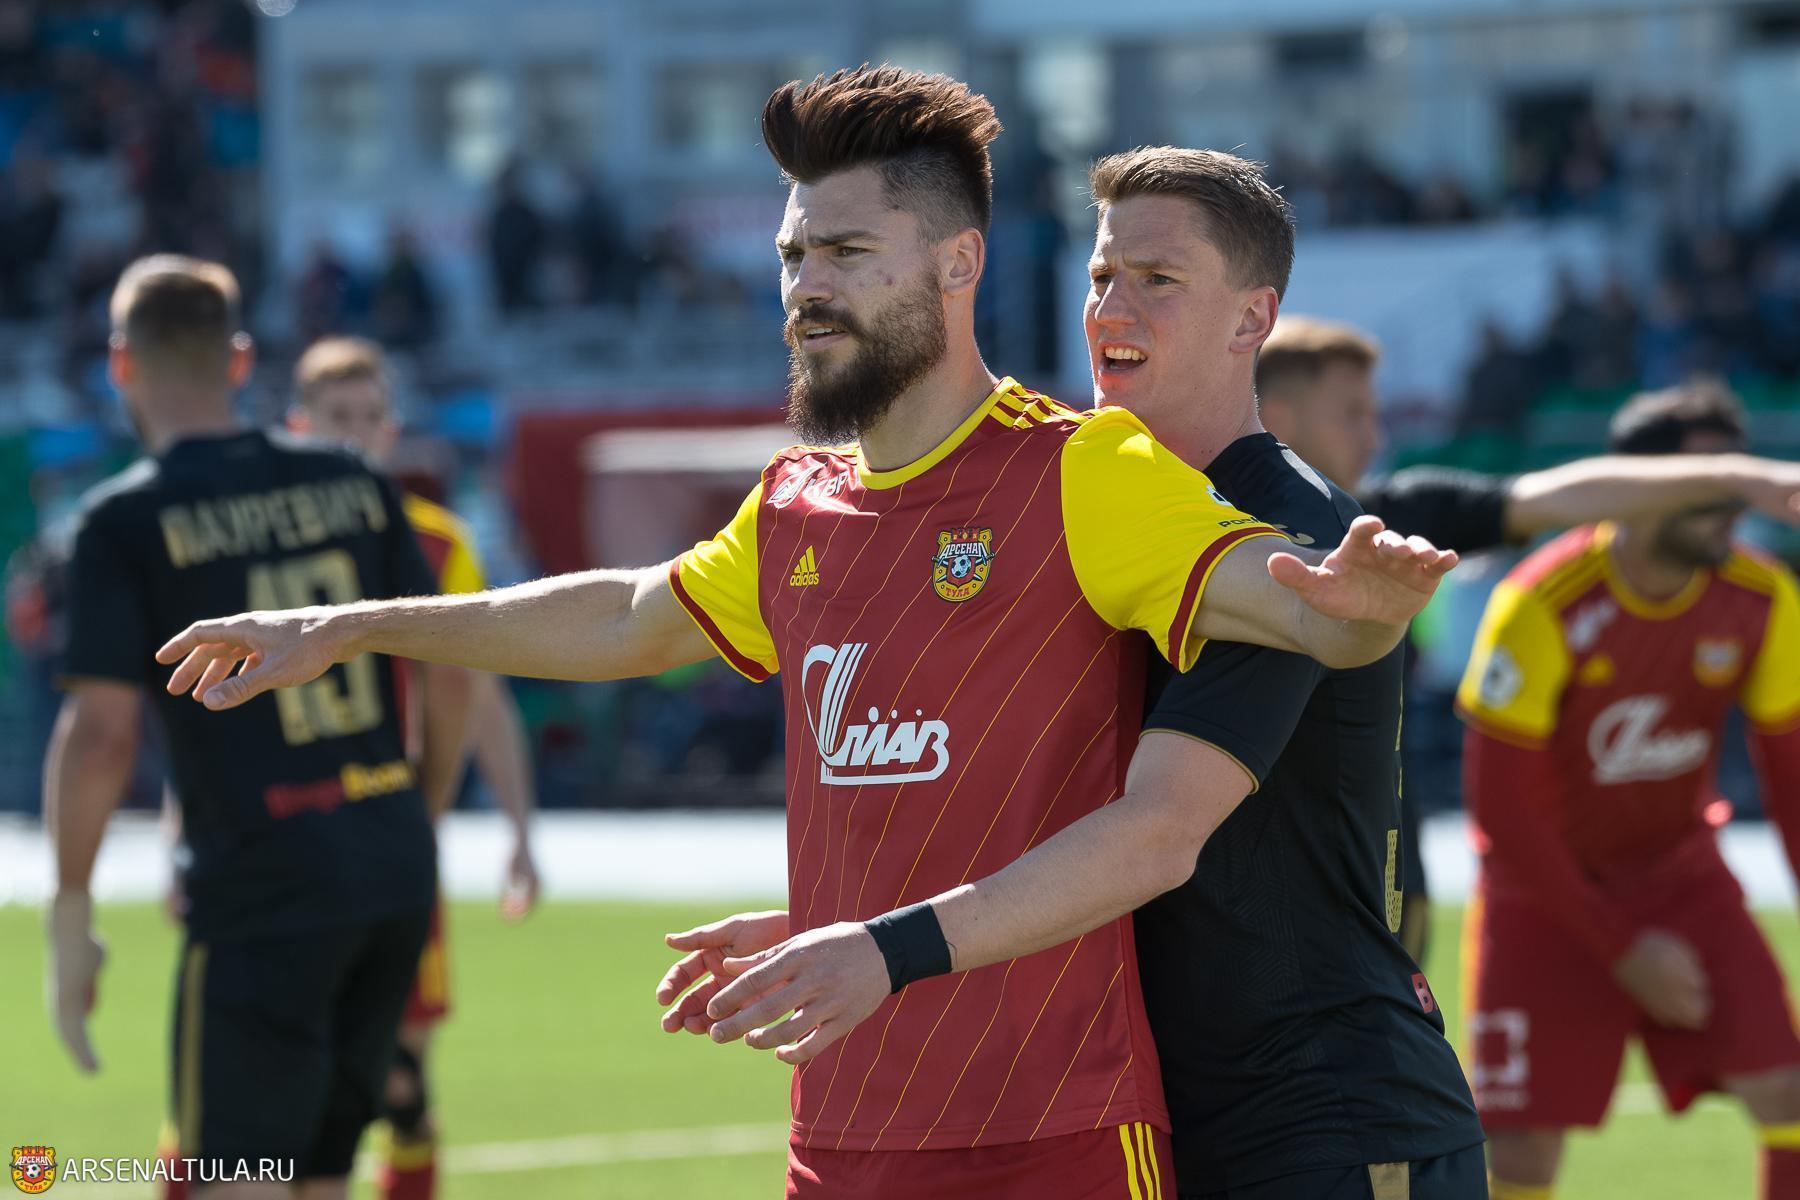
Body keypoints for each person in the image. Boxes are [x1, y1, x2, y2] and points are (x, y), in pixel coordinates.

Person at [154, 69, 1455, 1199]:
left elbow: (1289, 607)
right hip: (838, 1131)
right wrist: (347, 626)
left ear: (959, 264)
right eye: (792, 256)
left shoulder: (1086, 469)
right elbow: (628, 615)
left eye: (844, 253)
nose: (805, 289)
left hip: (1063, 1132)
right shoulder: (794, 502)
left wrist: (1355, 609)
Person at [676, 146, 1488, 1200]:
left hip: (1327, 1116)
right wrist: (831, 921)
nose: (1113, 307)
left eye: (1159, 279)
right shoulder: (1108, 510)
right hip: (1193, 1116)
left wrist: (884, 943)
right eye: (1103, 275)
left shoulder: (1278, 532)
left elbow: (1156, 835)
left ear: (1252, 319)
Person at [44, 255, 472, 1200]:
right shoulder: (356, 482)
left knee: (238, 1178)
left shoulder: (124, 518)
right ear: (240, 360)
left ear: (121, 364)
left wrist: (70, 910)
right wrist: (420, 813)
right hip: (388, 865)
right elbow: (449, 674)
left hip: (262, 883)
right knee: (321, 1174)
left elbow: (102, 735)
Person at [1255, 313, 1800, 961]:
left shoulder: (1395, 516)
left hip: (1384, 863)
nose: (1375, 436)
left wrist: (1743, 479)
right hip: (1255, 875)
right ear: (1280, 420)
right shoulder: (1216, 535)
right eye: (1353, 415)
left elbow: (1557, 495)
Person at [1457, 382, 1800, 1200]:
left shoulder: (1763, 596)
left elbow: (1793, 784)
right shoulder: (1539, 603)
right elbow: (1502, 813)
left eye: (1736, 482)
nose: (1728, 506)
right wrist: (1621, 948)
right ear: (1634, 490)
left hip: (1685, 884)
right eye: (1704, 485)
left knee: (1790, 1096)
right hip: (1543, 899)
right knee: (1519, 1154)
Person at [286, 334, 541, 1200]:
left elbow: (479, 691)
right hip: (286, 841)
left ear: (391, 429)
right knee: (276, 1088)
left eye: (369, 416)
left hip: (392, 837)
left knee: (402, 1088)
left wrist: (517, 831)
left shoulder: (434, 544)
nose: (355, 434)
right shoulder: (265, 546)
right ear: (298, 425)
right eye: (337, 417)